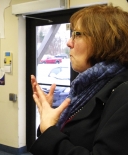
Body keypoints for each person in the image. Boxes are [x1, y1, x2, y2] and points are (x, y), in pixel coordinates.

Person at [30, 4, 128, 155]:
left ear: (104, 40)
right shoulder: (88, 87)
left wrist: (49, 130)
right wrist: (48, 119)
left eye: (77, 34)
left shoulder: (123, 92)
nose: (69, 43)